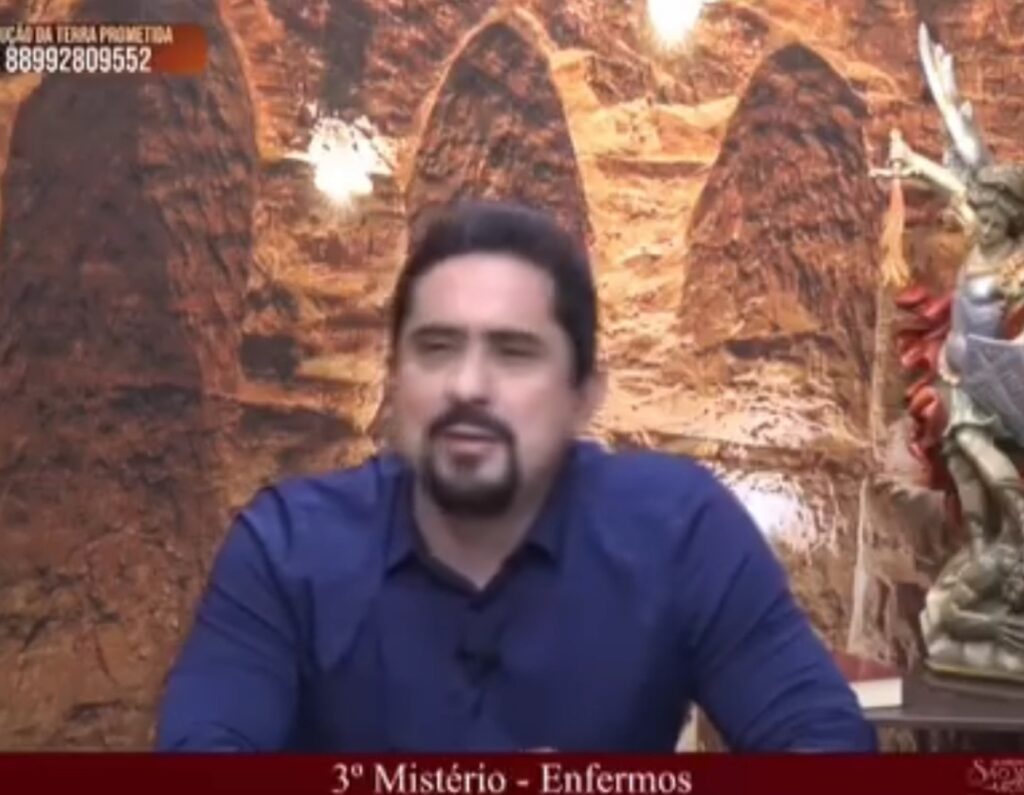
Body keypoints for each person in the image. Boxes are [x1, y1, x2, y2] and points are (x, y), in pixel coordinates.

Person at [155, 200, 876, 752]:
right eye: (437, 347)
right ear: (394, 379)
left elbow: (825, 742)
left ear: (583, 394)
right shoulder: (285, 549)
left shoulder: (680, 531)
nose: (468, 385)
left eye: (513, 352)